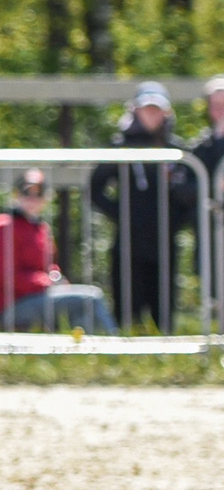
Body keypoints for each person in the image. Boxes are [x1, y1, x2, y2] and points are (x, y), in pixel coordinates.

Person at [88, 82, 199, 331]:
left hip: (164, 242)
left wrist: (175, 221)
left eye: (157, 109)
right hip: (128, 241)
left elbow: (192, 193)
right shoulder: (119, 147)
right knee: (128, 307)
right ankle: (127, 356)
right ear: (134, 110)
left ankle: (163, 356)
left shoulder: (177, 151)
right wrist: (122, 215)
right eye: (146, 109)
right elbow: (95, 188)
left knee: (163, 307)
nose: (151, 115)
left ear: (167, 113)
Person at [0, 169, 116, 335]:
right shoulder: (4, 226)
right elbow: (5, 276)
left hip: (42, 296)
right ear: (16, 194)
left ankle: (87, 355)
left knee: (83, 312)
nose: (32, 198)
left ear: (46, 198)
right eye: (27, 192)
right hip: (15, 305)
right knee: (91, 298)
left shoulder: (40, 228)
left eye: (39, 193)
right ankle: (116, 348)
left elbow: (50, 266)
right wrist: (47, 283)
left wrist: (57, 279)